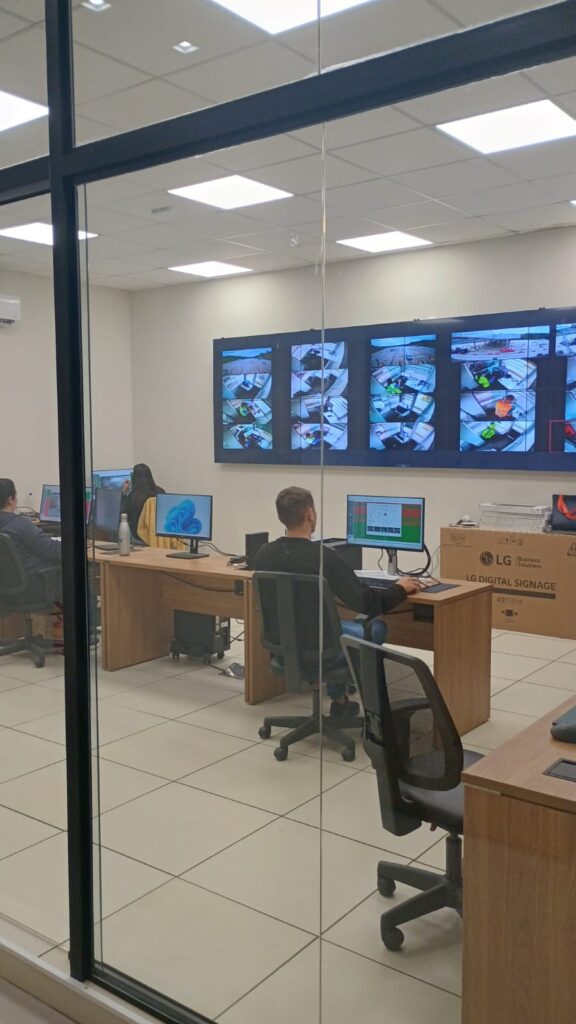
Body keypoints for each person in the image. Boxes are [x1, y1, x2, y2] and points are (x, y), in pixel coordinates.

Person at [254, 486, 423, 719]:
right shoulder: (323, 556)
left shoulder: (264, 554)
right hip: (322, 648)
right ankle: (369, 707)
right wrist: (400, 589)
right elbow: (368, 603)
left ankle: (341, 700)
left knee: (336, 626)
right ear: (310, 514)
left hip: (282, 647)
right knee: (376, 627)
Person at [0, 478, 62, 589]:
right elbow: (51, 551)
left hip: (6, 589)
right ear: (10, 500)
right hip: (33, 585)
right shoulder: (20, 525)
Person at [122, 463, 165, 541]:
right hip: (159, 536)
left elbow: (124, 515)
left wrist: (124, 493)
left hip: (140, 537)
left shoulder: (133, 496)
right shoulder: (161, 492)